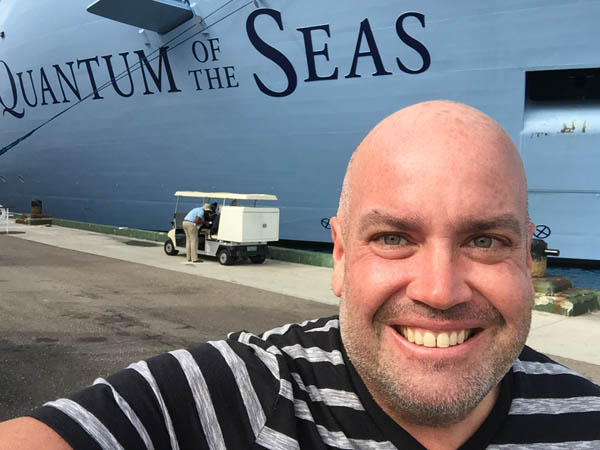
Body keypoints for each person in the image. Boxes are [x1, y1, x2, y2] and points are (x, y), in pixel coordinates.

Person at [1, 101, 599, 449]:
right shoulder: (231, 394)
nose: (439, 290)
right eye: (393, 238)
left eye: (486, 240)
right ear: (339, 256)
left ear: (528, 259)